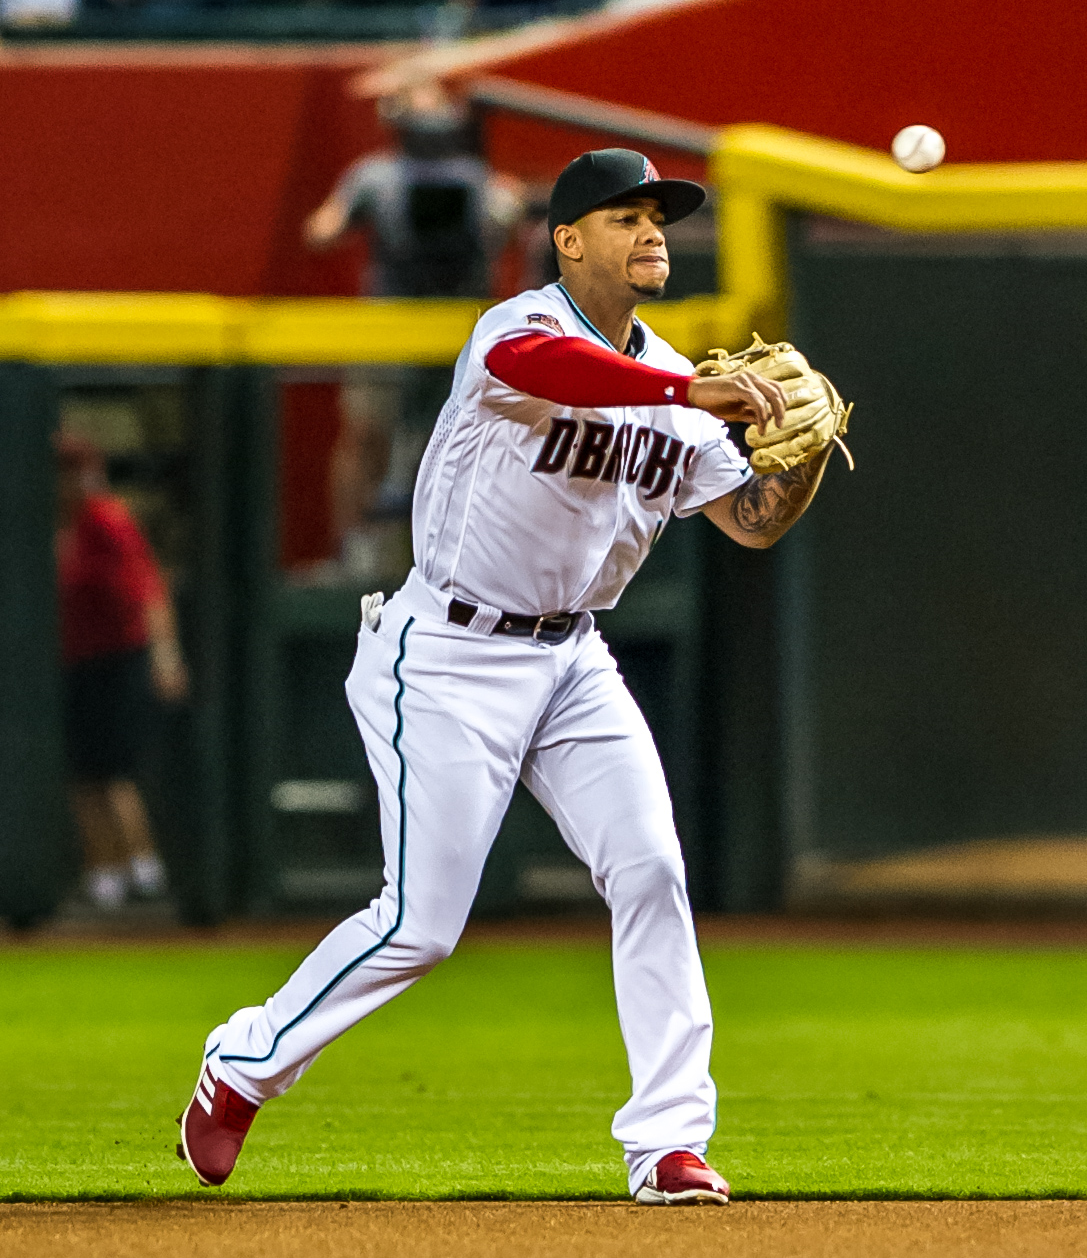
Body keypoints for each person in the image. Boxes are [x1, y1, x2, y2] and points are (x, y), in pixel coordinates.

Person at [178, 148, 835, 1204]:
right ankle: (244, 1063)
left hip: (573, 659)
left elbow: (749, 521)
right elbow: (550, 372)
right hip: (446, 652)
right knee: (420, 925)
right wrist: (694, 388)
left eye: (659, 217)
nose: (652, 231)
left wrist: (795, 457)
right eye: (625, 216)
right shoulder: (517, 329)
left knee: (651, 873)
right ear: (567, 240)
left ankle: (667, 1142)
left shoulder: (674, 390)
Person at [304, 81, 522, 578]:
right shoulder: (373, 177)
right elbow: (321, 231)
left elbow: (507, 235)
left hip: (457, 341)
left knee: (461, 446)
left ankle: (460, 559)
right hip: (390, 333)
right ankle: (354, 553)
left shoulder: (480, 183)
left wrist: (504, 213)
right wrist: (347, 218)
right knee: (365, 437)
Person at [56, 434, 188, 911]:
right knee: (85, 775)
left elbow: (149, 589)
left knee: (114, 774)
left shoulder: (107, 520)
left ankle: (145, 873)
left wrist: (166, 655)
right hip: (77, 662)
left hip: (118, 660)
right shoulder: (60, 523)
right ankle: (105, 877)